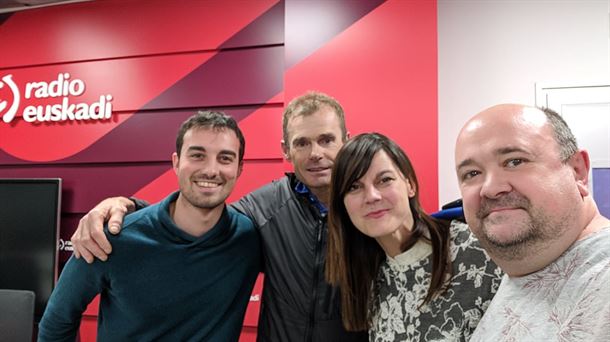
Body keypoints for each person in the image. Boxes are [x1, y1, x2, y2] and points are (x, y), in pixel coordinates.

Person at [69, 92, 367, 341]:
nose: (315, 153)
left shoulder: (370, 207)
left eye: (327, 139)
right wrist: (126, 206)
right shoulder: (266, 205)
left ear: (346, 142)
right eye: (302, 142)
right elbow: (197, 217)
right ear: (286, 150)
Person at [38, 111, 261, 341]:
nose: (211, 170)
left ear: (239, 168)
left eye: (225, 158)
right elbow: (57, 322)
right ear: (176, 162)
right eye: (197, 155)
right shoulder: (111, 237)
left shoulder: (249, 237)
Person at [325, 132, 503, 341]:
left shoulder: (474, 250)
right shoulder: (371, 280)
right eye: (354, 187)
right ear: (342, 204)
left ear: (410, 185)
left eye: (384, 180)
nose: (372, 196)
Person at [455, 104, 610, 341]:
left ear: (577, 171)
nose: (491, 188)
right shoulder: (524, 273)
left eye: (515, 161)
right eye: (472, 174)